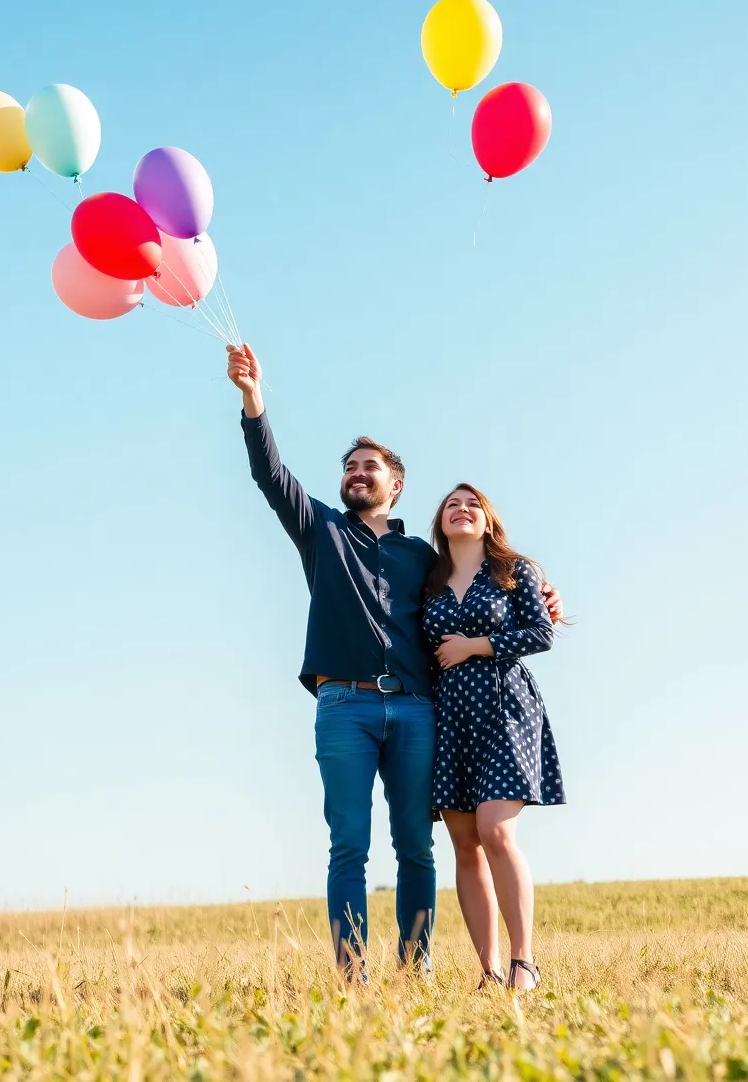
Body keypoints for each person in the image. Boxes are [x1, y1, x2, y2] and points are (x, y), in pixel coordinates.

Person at [226, 344, 562, 978]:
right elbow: (270, 474)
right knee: (348, 843)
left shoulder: (421, 560)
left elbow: (480, 587)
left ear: (395, 483)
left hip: (415, 712)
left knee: (417, 846)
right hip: (344, 707)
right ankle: (352, 974)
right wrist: (252, 399)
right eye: (350, 465)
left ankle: (415, 971)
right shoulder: (320, 531)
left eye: (370, 465)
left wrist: (542, 592)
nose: (358, 472)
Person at [423, 483, 566, 992]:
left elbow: (541, 632)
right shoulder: (429, 580)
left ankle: (524, 962)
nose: (462, 509)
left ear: (488, 519)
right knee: (464, 844)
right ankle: (488, 970)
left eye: (472, 504)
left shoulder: (514, 570)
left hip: (506, 706)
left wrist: (473, 646)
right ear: (440, 522)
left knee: (496, 831)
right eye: (451, 504)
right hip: (450, 716)